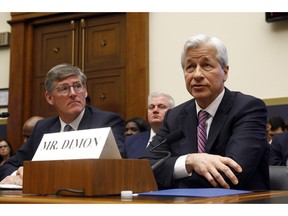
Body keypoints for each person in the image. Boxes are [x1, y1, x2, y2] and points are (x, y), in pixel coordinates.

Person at [143, 34, 269, 190]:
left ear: (225, 72)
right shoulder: (174, 116)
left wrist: (172, 174)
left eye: (206, 65)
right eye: (190, 67)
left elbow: (233, 175)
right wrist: (189, 161)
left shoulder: (248, 108)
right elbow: (146, 168)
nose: (196, 75)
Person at [0, 63, 125, 185]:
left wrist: (36, 175)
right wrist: (18, 174)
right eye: (64, 88)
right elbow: (9, 165)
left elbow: (118, 166)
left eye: (77, 86)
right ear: (50, 98)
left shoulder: (106, 122)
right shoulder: (42, 128)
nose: (73, 93)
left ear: (85, 91)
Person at [124, 92, 175, 158]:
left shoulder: (181, 140)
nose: (155, 110)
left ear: (172, 112)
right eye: (151, 107)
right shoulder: (130, 141)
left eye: (161, 107)